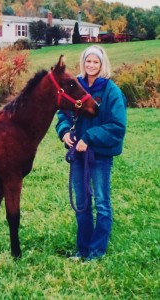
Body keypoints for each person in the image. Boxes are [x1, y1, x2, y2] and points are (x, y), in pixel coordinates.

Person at [55, 45, 127, 261]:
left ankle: (96, 252)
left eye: (96, 62)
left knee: (102, 202)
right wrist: (64, 131)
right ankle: (83, 249)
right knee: (82, 202)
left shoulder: (111, 91)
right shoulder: (76, 85)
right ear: (83, 62)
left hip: (100, 157)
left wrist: (89, 137)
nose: (91, 65)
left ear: (102, 64)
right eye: (88, 61)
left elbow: (117, 125)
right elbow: (63, 113)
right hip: (78, 155)